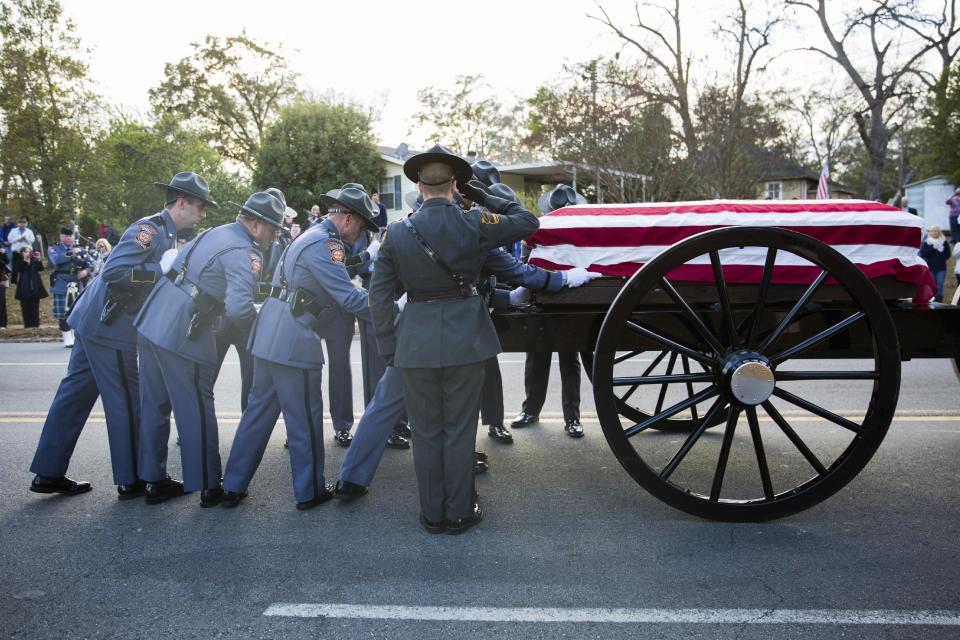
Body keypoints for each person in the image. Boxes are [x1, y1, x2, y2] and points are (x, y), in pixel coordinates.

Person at [369, 144, 539, 534]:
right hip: (466, 338)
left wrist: (389, 348)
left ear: (417, 184)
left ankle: (433, 512)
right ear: (455, 185)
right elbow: (527, 221)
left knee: (427, 431)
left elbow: (379, 298)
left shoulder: (396, 233)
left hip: (415, 342)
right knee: (461, 428)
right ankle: (460, 511)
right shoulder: (475, 221)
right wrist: (480, 193)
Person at [28, 172, 209, 499]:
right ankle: (131, 480)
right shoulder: (149, 230)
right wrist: (161, 270)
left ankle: (48, 471)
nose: (202, 214)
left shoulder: (164, 232)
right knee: (127, 400)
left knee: (73, 399)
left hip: (94, 320)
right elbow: (114, 272)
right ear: (182, 202)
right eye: (199, 206)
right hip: (109, 325)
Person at [220, 185, 381, 510]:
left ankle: (233, 485)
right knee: (305, 414)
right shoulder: (327, 243)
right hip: (293, 337)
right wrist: (394, 310)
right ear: (348, 219)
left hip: (272, 332)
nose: (359, 234)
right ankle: (308, 491)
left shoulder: (309, 236)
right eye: (361, 226)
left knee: (258, 413)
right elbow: (348, 296)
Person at [135, 191, 282, 507]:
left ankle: (153, 480)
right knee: (198, 406)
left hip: (154, 316)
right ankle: (208, 485)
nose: (277, 234)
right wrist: (262, 332)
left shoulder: (216, 231)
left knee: (154, 403)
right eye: (274, 227)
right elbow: (240, 308)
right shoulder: (246, 252)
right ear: (255, 224)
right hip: (185, 326)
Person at [511, 184, 591, 438]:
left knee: (569, 360)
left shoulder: (582, 233)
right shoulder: (538, 230)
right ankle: (531, 409)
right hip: (543, 302)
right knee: (537, 358)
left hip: (571, 302)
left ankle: (572, 417)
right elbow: (526, 263)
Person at [48, 228, 90, 347]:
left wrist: (86, 271)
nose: (69, 238)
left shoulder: (80, 249)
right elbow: (55, 260)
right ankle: (67, 337)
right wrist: (72, 253)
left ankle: (75, 335)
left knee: (77, 311)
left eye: (70, 236)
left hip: (77, 283)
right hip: (61, 283)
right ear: (61, 237)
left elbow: (90, 263)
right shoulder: (54, 248)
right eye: (66, 236)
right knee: (63, 313)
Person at [12, 247, 46, 327]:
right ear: (22, 253)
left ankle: (35, 324)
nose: (28, 253)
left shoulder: (34, 261)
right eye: (26, 252)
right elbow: (17, 269)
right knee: (25, 307)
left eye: (29, 252)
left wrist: (39, 259)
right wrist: (25, 261)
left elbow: (41, 268)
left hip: (35, 286)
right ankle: (27, 325)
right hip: (24, 287)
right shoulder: (19, 261)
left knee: (35, 307)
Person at [919, 224, 951, 302]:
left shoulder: (944, 242)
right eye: (932, 231)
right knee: (931, 284)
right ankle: (931, 299)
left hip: (941, 268)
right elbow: (923, 254)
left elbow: (948, 254)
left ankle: (939, 300)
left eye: (936, 231)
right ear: (930, 232)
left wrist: (942, 258)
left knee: (939, 285)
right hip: (930, 267)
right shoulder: (927, 242)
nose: (934, 232)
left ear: (939, 232)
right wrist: (932, 248)